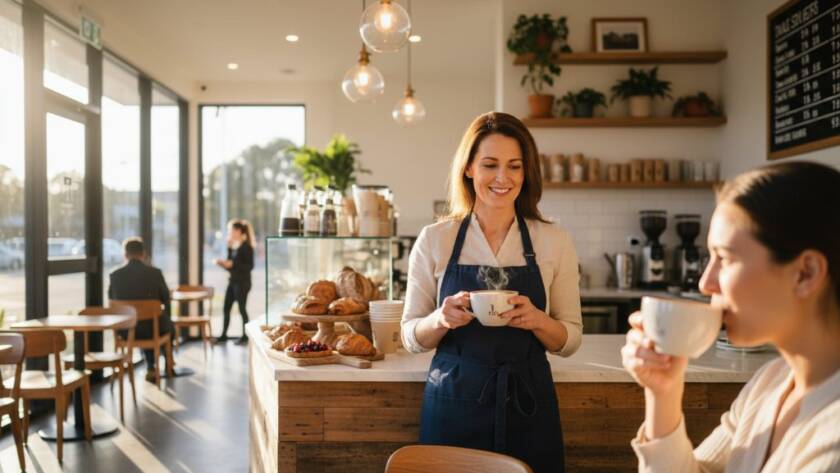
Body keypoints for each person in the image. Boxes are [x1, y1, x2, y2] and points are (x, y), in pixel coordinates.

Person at [622, 161, 840, 472]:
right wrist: (664, 392)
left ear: (805, 273)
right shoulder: (770, 383)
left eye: (725, 258)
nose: (705, 283)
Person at [401, 112, 583, 473]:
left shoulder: (553, 239)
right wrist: (440, 319)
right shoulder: (436, 239)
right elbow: (411, 336)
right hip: (454, 402)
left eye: (515, 166)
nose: (503, 178)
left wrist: (537, 321)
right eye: (490, 165)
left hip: (528, 404)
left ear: (526, 172)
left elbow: (570, 339)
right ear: (468, 168)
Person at [108, 237, 173, 382]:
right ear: (143, 254)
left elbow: (112, 302)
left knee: (141, 322)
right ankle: (167, 361)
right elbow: (165, 298)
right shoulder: (155, 273)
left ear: (125, 255)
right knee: (164, 322)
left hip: (126, 331)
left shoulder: (115, 275)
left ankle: (151, 366)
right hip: (152, 328)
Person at [213, 219, 255, 344]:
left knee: (242, 309)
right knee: (226, 308)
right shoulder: (235, 246)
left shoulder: (246, 247)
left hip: (242, 283)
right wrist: (226, 256)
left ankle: (245, 336)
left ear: (238, 231)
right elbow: (230, 264)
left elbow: (249, 266)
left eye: (230, 230)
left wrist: (233, 264)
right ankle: (223, 335)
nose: (229, 232)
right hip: (233, 282)